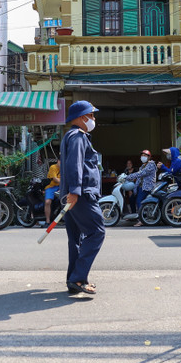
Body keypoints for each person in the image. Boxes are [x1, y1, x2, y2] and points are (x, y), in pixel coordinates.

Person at [60, 100, 104, 296]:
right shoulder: (78, 136)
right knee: (96, 232)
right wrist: (76, 191)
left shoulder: (70, 136)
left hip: (74, 194)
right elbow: (75, 164)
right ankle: (78, 278)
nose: (93, 119)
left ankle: (74, 279)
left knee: (76, 239)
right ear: (81, 118)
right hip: (82, 195)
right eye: (91, 115)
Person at [123, 149, 157, 225]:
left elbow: (141, 174)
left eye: (145, 156)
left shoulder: (151, 165)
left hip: (147, 187)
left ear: (149, 157)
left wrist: (128, 177)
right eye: (142, 155)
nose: (143, 157)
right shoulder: (142, 166)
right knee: (132, 199)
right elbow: (138, 178)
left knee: (139, 200)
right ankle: (134, 216)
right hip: (140, 187)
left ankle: (142, 220)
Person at [44, 158, 60, 225]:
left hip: (62, 186)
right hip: (51, 187)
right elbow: (55, 179)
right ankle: (47, 220)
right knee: (47, 202)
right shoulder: (53, 167)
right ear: (58, 161)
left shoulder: (67, 167)